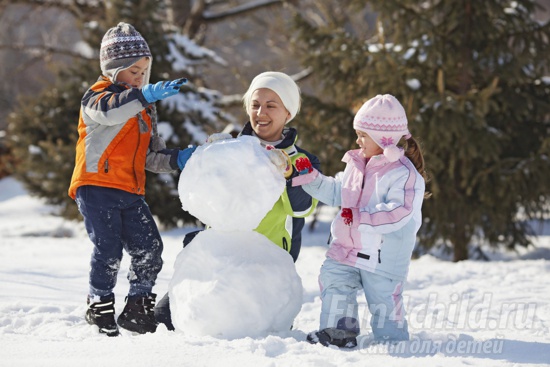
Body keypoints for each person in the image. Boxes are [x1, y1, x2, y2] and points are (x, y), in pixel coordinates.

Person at [154, 71, 321, 330]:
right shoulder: (230, 148)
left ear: (288, 113)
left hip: (264, 265)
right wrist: (208, 159)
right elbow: (203, 197)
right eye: (255, 105)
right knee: (164, 320)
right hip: (218, 259)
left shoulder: (303, 161)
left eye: (270, 106)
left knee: (249, 331)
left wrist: (288, 174)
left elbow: (303, 208)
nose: (260, 112)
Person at [68, 22, 195, 337]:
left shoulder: (144, 109)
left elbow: (152, 156)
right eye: (132, 71)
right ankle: (99, 303)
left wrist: (179, 158)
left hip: (131, 189)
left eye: (144, 72)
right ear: (113, 70)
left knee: (150, 247)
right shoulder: (97, 97)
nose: (140, 78)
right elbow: (111, 112)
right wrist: (145, 94)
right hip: (96, 186)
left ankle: (138, 305)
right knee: (108, 248)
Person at [293, 94, 428, 348]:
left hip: (383, 258)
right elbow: (337, 191)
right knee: (334, 281)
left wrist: (359, 218)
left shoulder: (404, 175)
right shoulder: (357, 164)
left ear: (383, 138)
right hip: (347, 249)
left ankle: (394, 343)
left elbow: (398, 211)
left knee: (384, 304)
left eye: (363, 135)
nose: (358, 140)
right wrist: (311, 178)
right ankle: (338, 332)